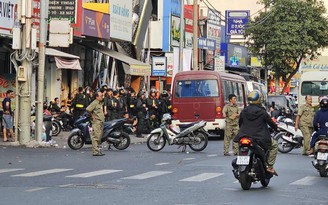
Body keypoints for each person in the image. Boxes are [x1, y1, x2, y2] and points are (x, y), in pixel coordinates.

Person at [234, 90, 278, 176]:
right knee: (274, 145)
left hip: (244, 135)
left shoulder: (244, 111)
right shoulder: (262, 112)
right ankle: (270, 166)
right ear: (259, 100)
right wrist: (276, 128)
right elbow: (271, 123)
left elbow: (240, 123)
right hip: (259, 138)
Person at [86, 91, 105, 156]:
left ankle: (98, 150)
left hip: (100, 122)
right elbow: (88, 109)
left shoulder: (99, 103)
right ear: (97, 97)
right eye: (100, 96)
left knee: (99, 137)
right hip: (96, 122)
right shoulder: (94, 103)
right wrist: (92, 116)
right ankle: (95, 151)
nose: (102, 97)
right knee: (96, 137)